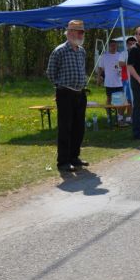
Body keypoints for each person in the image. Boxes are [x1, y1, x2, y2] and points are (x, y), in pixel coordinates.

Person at [46, 20, 89, 172]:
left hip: (80, 93)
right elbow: (50, 73)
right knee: (65, 127)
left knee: (79, 127)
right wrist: (60, 86)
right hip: (65, 93)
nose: (82, 35)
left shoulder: (82, 51)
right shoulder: (59, 51)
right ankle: (63, 161)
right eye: (79, 32)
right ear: (70, 32)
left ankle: (74, 157)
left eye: (82, 32)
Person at [97, 39, 124, 123]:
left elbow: (123, 67)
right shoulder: (104, 56)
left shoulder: (120, 55)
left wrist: (121, 71)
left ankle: (119, 118)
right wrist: (98, 78)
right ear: (109, 46)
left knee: (119, 100)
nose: (114, 47)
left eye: (115, 45)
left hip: (119, 82)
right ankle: (109, 117)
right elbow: (100, 68)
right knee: (109, 100)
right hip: (108, 82)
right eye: (112, 45)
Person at [118, 36, 136, 123]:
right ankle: (120, 116)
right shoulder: (124, 53)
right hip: (126, 79)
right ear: (127, 45)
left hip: (135, 78)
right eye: (130, 44)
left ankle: (129, 117)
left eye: (133, 44)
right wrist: (129, 62)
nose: (132, 45)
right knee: (125, 99)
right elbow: (120, 63)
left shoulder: (137, 52)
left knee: (132, 99)